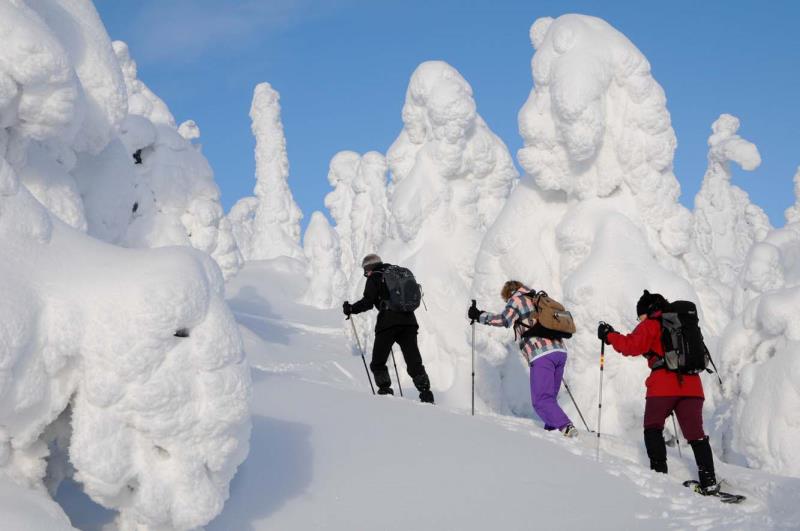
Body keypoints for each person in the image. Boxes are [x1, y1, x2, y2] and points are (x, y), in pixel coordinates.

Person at [597, 290, 719, 494]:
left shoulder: (652, 324)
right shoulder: (682, 324)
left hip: (663, 386)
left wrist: (609, 336)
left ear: (646, 311)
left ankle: (659, 476)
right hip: (693, 386)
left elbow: (631, 346)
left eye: (639, 316)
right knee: (696, 436)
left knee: (652, 427)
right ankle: (709, 481)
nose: (639, 320)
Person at [468, 280, 577, 437]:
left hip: (542, 354)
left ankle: (566, 427)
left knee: (541, 400)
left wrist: (479, 315)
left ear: (508, 294)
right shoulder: (536, 299)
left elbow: (504, 320)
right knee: (550, 399)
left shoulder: (517, 299)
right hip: (560, 352)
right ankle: (552, 431)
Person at [343, 254, 434, 403]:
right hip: (409, 322)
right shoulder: (397, 272)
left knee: (378, 362)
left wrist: (351, 308)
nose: (366, 275)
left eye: (366, 271)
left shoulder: (375, 277)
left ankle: (386, 396)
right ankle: (426, 394)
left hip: (388, 323)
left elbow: (368, 302)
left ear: (369, 268)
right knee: (414, 361)